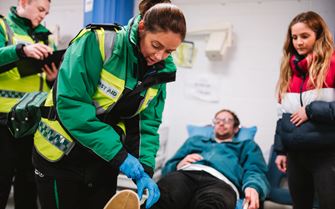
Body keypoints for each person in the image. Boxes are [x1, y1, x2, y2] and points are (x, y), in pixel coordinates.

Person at [31, 1, 186, 209]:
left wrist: (145, 171)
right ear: (142, 28)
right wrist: (120, 157)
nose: (159, 56)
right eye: (156, 45)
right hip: (61, 154)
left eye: (169, 51)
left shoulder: (160, 72)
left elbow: (146, 125)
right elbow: (72, 105)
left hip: (102, 160)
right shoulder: (97, 42)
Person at [274, 11, 335, 209]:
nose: (298, 42)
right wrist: (281, 150)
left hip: (326, 153)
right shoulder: (288, 70)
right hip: (295, 155)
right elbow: (281, 116)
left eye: (305, 36)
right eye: (294, 37)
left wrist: (311, 110)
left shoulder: (332, 64)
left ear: (318, 35)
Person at [0, 0, 58, 208]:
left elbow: (45, 80)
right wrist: (20, 50)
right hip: (4, 120)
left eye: (47, 12)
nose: (43, 15)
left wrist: (53, 78)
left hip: (33, 121)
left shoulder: (46, 36)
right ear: (24, 2)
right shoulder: (3, 26)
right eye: (41, 9)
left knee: (29, 184)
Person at [151, 109, 270, 209]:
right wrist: (178, 164)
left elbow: (255, 170)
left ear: (236, 128)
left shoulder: (247, 146)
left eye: (227, 120)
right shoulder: (195, 140)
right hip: (185, 174)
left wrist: (253, 186)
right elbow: (167, 168)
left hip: (222, 182)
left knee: (213, 204)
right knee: (165, 196)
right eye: (217, 120)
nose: (221, 123)